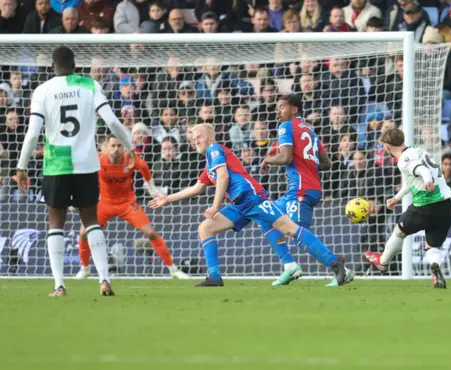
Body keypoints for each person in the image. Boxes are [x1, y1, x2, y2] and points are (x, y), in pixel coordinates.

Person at [149, 124, 351, 287]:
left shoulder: (214, 149)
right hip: (239, 205)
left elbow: (223, 176)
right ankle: (215, 277)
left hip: (252, 199)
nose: (195, 141)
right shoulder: (209, 163)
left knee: (290, 230)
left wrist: (215, 205)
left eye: (198, 137)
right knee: (206, 228)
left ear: (210, 137)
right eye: (193, 139)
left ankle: (334, 261)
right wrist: (167, 199)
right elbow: (195, 188)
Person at [15, 46, 135, 297]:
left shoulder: (42, 90)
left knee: (55, 222)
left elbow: (33, 133)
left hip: (56, 165)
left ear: (52, 65)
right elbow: (112, 121)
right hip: (86, 164)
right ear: (75, 64)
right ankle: (104, 280)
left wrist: (21, 166)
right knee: (91, 220)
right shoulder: (90, 85)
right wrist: (130, 146)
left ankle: (59, 285)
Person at [260, 95, 354, 287]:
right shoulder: (311, 131)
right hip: (306, 187)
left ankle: (337, 264)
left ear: (294, 110)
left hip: (301, 189)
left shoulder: (286, 127)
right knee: (264, 214)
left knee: (296, 232)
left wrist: (268, 159)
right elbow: (327, 163)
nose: (278, 111)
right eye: (277, 107)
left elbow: (285, 158)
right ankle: (289, 265)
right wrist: (306, 166)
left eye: (282, 107)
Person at [74, 136, 189, 280]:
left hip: (127, 203)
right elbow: (81, 172)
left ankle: (173, 269)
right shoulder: (98, 160)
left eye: (119, 146)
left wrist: (152, 188)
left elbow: (144, 168)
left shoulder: (130, 159)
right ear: (107, 147)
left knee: (151, 233)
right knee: (84, 233)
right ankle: (85, 269)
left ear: (123, 147)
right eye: (113, 146)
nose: (116, 149)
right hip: (105, 203)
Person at [364, 128, 451, 289]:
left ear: (387, 146)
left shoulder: (404, 159)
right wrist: (397, 198)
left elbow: (422, 170)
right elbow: (411, 181)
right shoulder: (417, 151)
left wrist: (427, 181)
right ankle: (436, 271)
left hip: (425, 207)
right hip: (445, 206)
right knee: (432, 245)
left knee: (399, 231)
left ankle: (383, 262)